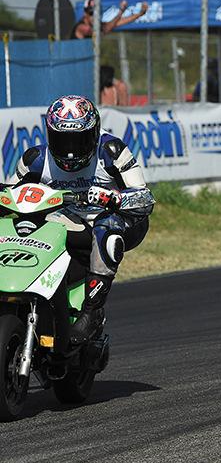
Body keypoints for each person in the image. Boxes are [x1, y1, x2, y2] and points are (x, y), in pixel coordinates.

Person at [13, 96, 155, 343]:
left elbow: (145, 199)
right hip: (69, 222)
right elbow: (13, 196)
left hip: (119, 221)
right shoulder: (34, 159)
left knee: (106, 229)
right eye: (62, 139)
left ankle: (92, 312)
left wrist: (111, 199)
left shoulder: (112, 151)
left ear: (95, 133)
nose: (70, 150)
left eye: (78, 140)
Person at [72, 0, 148, 40]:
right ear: (85, 13)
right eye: (91, 13)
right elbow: (106, 28)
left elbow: (120, 22)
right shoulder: (81, 27)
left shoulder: (96, 26)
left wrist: (140, 14)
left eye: (97, 13)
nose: (94, 16)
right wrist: (121, 11)